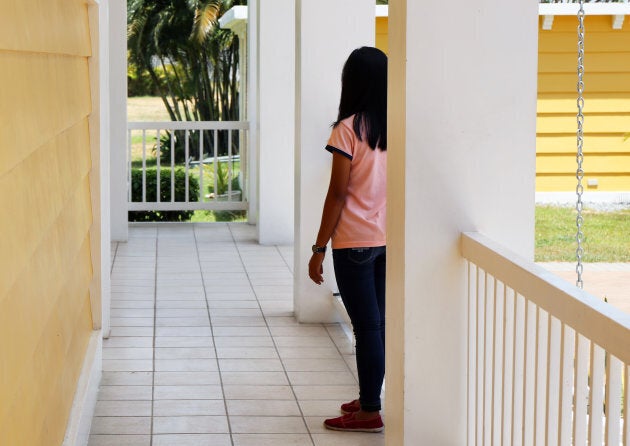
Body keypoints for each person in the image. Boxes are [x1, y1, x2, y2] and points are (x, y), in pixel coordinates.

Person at [308, 46, 387, 433]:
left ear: (351, 82)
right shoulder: (397, 128)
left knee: (367, 328)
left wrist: (318, 248)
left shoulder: (347, 129)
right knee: (378, 325)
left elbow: (337, 193)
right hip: (389, 242)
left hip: (354, 242)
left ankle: (370, 411)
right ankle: (369, 395)